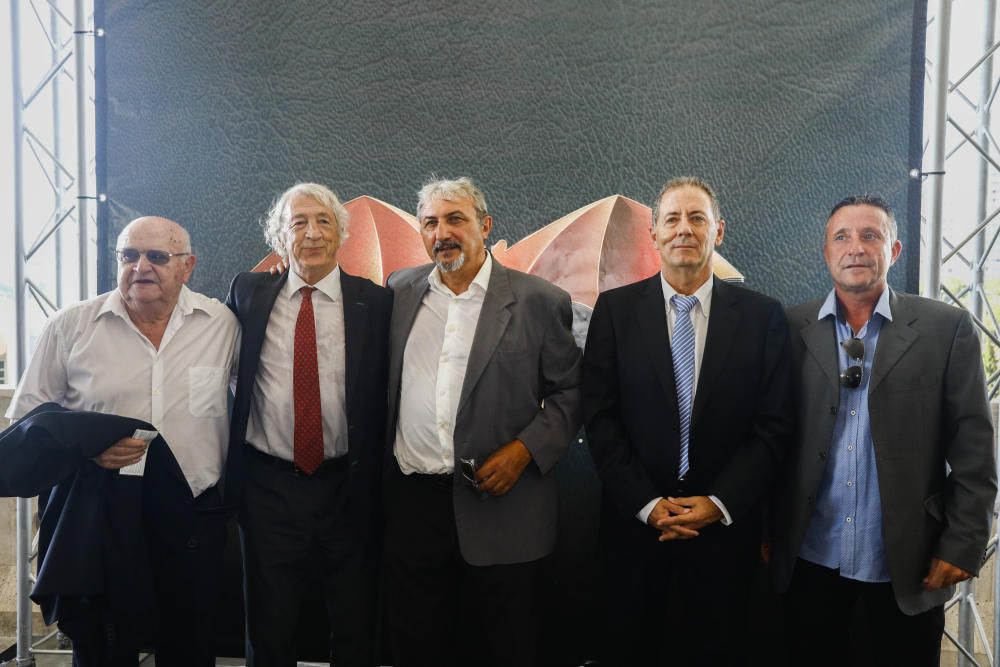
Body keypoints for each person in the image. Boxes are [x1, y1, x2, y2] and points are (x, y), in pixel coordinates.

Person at [771, 195, 997, 666]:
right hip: (809, 564)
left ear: (893, 250)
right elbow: (769, 439)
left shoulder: (945, 329)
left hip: (906, 566)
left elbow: (974, 450)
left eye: (870, 235)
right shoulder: (790, 329)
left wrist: (962, 542)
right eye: (842, 236)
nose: (856, 247)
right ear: (826, 251)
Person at [6, 216, 240, 666]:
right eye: (129, 255)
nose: (141, 267)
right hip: (101, 510)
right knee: (103, 644)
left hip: (193, 514)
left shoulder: (222, 324)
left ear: (187, 266)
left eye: (157, 256)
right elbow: (29, 422)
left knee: (189, 642)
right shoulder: (71, 326)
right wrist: (86, 447)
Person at [583, 176, 794, 666]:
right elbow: (600, 419)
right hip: (636, 533)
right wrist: (648, 503)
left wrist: (719, 503)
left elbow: (774, 427)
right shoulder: (615, 312)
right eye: (672, 219)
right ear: (652, 234)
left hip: (724, 538)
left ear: (718, 231)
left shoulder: (763, 318)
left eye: (697, 218)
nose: (684, 229)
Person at [383, 176, 582, 667]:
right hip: (415, 507)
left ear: (486, 226)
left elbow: (572, 393)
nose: (442, 232)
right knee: (418, 644)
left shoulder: (540, 301)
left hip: (503, 505)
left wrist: (525, 451)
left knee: (506, 645)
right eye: (430, 222)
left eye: (456, 219)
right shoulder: (399, 291)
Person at [226, 183, 391, 667]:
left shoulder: (376, 303)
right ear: (279, 237)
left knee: (356, 624)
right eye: (298, 223)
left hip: (349, 487)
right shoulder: (248, 293)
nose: (312, 233)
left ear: (341, 232)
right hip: (269, 488)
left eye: (323, 221)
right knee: (270, 628)